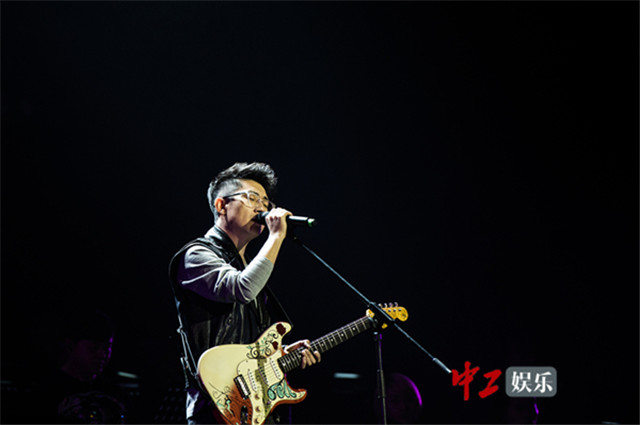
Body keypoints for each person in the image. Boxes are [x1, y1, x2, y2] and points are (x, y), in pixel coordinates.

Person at [168, 162, 321, 424]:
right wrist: (276, 237)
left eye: (265, 201)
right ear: (221, 205)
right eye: (251, 198)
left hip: (255, 408)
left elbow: (247, 351)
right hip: (216, 407)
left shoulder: (249, 268)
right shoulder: (196, 255)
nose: (262, 208)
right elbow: (241, 288)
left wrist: (281, 354)